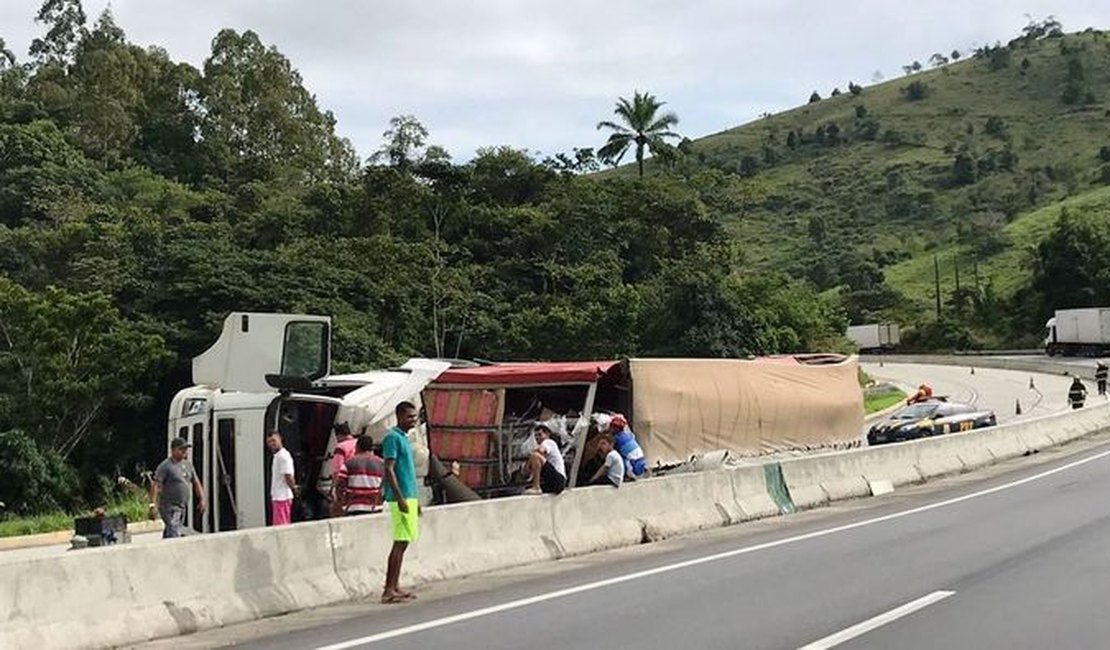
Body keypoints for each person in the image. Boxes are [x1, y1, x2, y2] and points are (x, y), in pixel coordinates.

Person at [382, 401, 420, 604]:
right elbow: (389, 469)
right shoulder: (392, 437)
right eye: (409, 416)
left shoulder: (404, 438)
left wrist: (415, 499)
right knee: (400, 541)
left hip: (409, 495)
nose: (413, 420)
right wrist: (400, 498)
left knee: (405, 542)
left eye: (415, 416)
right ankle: (388, 589)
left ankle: (395, 585)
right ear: (399, 416)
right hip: (400, 497)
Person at [149, 437, 206, 538]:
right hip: (168, 505)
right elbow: (156, 485)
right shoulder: (166, 466)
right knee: (174, 529)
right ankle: (173, 545)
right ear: (173, 450)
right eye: (181, 449)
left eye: (185, 449)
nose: (184, 451)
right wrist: (152, 505)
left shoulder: (188, 465)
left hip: (181, 505)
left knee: (172, 529)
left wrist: (202, 498)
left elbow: (196, 482)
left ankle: (166, 545)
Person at [336, 435, 384, 516]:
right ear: (371, 448)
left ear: (357, 447)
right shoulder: (381, 463)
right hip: (375, 506)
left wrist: (342, 500)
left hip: (353, 507)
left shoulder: (348, 463)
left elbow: (340, 485)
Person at [524, 423, 567, 495]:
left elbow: (542, 450)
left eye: (540, 434)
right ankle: (536, 486)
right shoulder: (543, 444)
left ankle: (536, 487)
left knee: (535, 456)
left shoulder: (549, 442)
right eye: (536, 435)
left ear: (547, 434)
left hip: (558, 480)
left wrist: (532, 454)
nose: (537, 437)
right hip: (550, 481)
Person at [267, 431, 296, 526]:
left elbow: (288, 475)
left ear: (280, 439)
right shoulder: (277, 456)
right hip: (278, 497)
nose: (271, 444)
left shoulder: (283, 456)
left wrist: (294, 487)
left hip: (282, 497)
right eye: (269, 442)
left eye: (273, 440)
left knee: (281, 525)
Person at [329, 423, 358, 516]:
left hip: (346, 485)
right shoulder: (358, 443)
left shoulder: (341, 447)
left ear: (339, 435)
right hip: (360, 483)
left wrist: (333, 488)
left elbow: (338, 469)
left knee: (338, 512)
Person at [608, 414, 646, 480]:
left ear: (616, 428)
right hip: (640, 467)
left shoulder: (617, 438)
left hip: (633, 470)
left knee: (614, 456)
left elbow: (610, 451)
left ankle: (620, 476)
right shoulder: (629, 435)